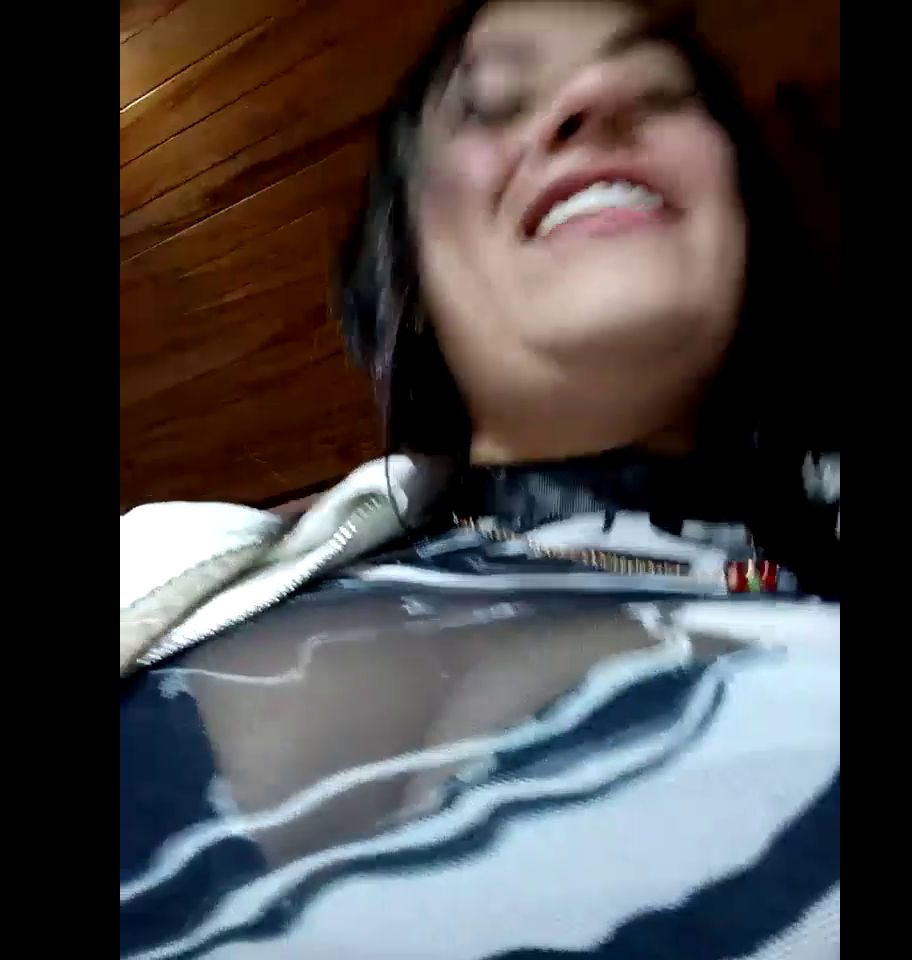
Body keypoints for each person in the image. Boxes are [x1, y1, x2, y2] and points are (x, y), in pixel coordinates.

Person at [119, 2, 840, 957]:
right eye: (493, 105)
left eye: (665, 92)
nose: (595, 95)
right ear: (410, 271)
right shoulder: (177, 569)